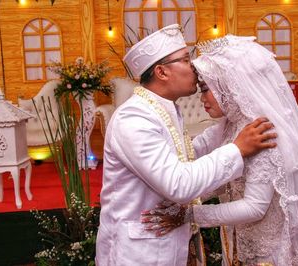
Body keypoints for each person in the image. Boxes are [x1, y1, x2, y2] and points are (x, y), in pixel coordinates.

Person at [141, 35, 298, 265]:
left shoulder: (260, 131)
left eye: (206, 89)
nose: (201, 98)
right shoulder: (231, 125)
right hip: (239, 241)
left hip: (267, 253)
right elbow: (208, 163)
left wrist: (190, 214)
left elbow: (255, 207)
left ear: (229, 87)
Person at [95, 25, 277, 266]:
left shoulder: (163, 109)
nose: (194, 66)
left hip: (164, 242)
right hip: (139, 253)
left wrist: (231, 127)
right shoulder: (134, 119)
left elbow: (186, 153)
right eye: (185, 59)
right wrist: (237, 149)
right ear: (161, 72)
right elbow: (178, 184)